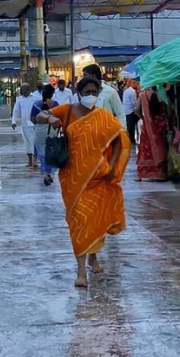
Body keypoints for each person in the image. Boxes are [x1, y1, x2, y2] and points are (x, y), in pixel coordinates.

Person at [37, 76, 129, 287]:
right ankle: (81, 272)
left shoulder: (103, 116)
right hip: (73, 179)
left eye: (94, 92)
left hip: (98, 179)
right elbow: (39, 116)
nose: (90, 96)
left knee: (94, 221)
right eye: (86, 92)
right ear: (78, 93)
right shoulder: (67, 110)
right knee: (78, 222)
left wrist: (113, 167)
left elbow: (118, 140)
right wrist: (49, 118)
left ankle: (93, 256)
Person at [136, 87, 170, 181]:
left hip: (147, 127)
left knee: (145, 148)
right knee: (161, 147)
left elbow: (136, 109)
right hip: (160, 125)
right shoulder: (163, 95)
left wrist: (143, 118)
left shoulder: (143, 95)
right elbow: (169, 110)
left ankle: (142, 174)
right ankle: (161, 174)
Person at [83, 64, 126, 129]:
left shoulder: (110, 91)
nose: (83, 79)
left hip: (108, 132)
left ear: (93, 76)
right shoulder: (84, 93)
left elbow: (120, 114)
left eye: (85, 76)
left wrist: (122, 133)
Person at [31, 85, 59, 185]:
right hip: (52, 129)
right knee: (51, 151)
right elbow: (59, 116)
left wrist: (38, 125)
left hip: (39, 129)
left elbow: (32, 118)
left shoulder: (36, 104)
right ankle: (49, 172)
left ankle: (45, 172)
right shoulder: (55, 104)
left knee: (42, 152)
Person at [11, 83, 38, 168]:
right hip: (24, 125)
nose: (23, 91)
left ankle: (35, 161)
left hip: (33, 124)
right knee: (27, 143)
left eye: (25, 89)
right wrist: (13, 121)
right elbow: (16, 111)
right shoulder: (19, 99)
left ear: (29, 89)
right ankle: (29, 161)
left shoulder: (35, 98)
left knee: (33, 142)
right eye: (22, 89)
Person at [123, 81, 139, 149]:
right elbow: (134, 102)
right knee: (131, 126)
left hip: (126, 110)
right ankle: (131, 140)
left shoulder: (126, 90)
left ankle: (130, 139)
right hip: (130, 111)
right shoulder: (132, 92)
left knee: (130, 126)